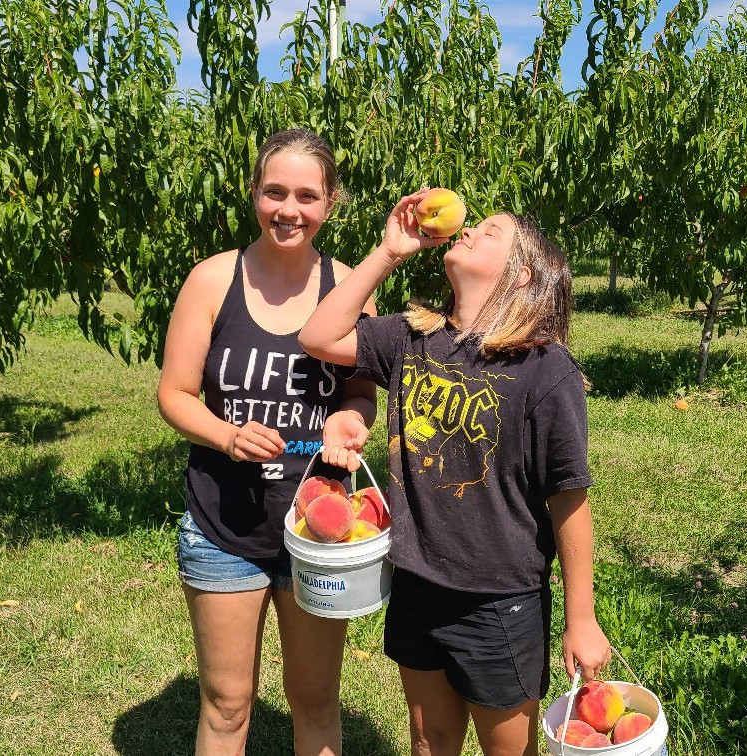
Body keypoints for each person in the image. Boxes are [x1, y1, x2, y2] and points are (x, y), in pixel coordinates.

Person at [299, 191, 612, 755]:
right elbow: (318, 337)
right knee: (429, 739)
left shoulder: (544, 369)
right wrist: (389, 251)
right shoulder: (412, 337)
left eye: (491, 232)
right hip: (418, 583)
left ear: (521, 277)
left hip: (498, 599)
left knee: (507, 750)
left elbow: (570, 499)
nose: (469, 230)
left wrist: (581, 618)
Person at [157, 128, 377, 755]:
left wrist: (349, 421)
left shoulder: (348, 287)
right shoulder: (212, 280)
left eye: (307, 195)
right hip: (223, 523)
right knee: (227, 707)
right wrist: (227, 436)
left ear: (329, 204)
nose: (289, 209)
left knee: (314, 702)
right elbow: (174, 393)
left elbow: (360, 394)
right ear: (253, 193)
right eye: (274, 191)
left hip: (318, 530)